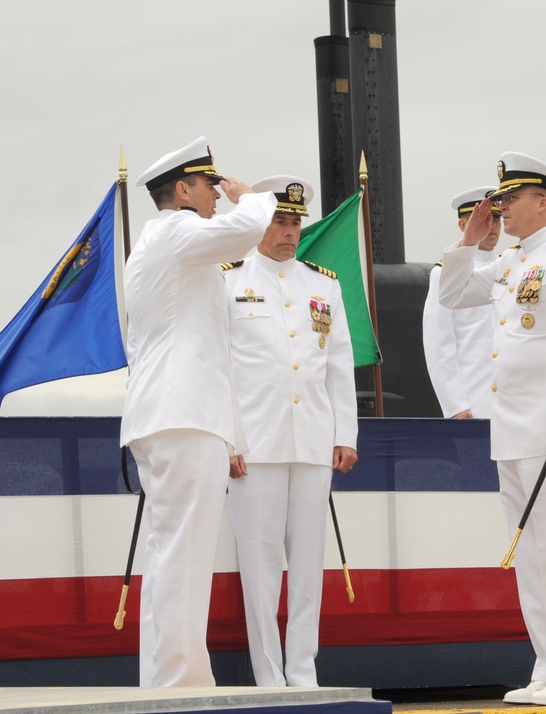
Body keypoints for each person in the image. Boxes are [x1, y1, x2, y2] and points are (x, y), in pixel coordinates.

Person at [438, 152, 546, 707]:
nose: (502, 207)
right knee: (532, 558)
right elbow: (454, 293)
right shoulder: (512, 260)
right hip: (511, 432)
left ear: (544, 202)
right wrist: (469, 238)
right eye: (501, 198)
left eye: (510, 199)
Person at [120, 137, 277, 687]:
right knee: (181, 554)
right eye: (210, 185)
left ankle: (169, 677)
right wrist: (251, 196)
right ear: (182, 191)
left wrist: (231, 436)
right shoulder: (175, 231)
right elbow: (245, 229)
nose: (217, 194)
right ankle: (179, 682)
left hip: (179, 412)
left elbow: (211, 351)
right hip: (180, 414)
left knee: (173, 552)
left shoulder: (166, 245)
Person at [221, 175, 358, 687]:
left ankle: (303, 671)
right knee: (259, 567)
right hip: (254, 443)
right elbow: (221, 369)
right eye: (278, 219)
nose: (289, 230)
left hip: (313, 440)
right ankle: (269, 676)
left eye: (295, 220)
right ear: (258, 222)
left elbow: (339, 365)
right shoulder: (227, 279)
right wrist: (230, 438)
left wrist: (345, 433)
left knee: (307, 565)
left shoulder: (323, 284)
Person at [422, 186, 502, 418]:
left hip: (516, 405)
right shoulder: (446, 274)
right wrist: (455, 405)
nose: (493, 226)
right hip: (475, 401)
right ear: (462, 225)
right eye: (484, 219)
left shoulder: (510, 267)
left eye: (497, 219)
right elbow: (439, 345)